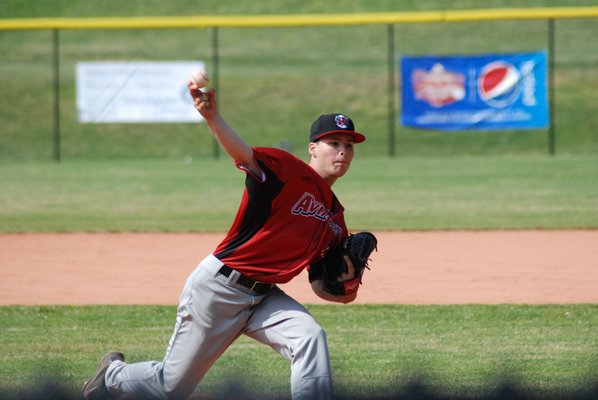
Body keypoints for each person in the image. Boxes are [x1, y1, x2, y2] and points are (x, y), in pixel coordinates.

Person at [82, 80, 369, 400]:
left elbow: (322, 286)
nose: (342, 150)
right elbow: (244, 155)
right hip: (219, 289)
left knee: (310, 337)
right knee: (170, 387)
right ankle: (113, 375)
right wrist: (212, 117)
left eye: (349, 144)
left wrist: (345, 286)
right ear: (313, 148)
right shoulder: (287, 169)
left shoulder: (335, 218)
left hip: (265, 298)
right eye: (333, 142)